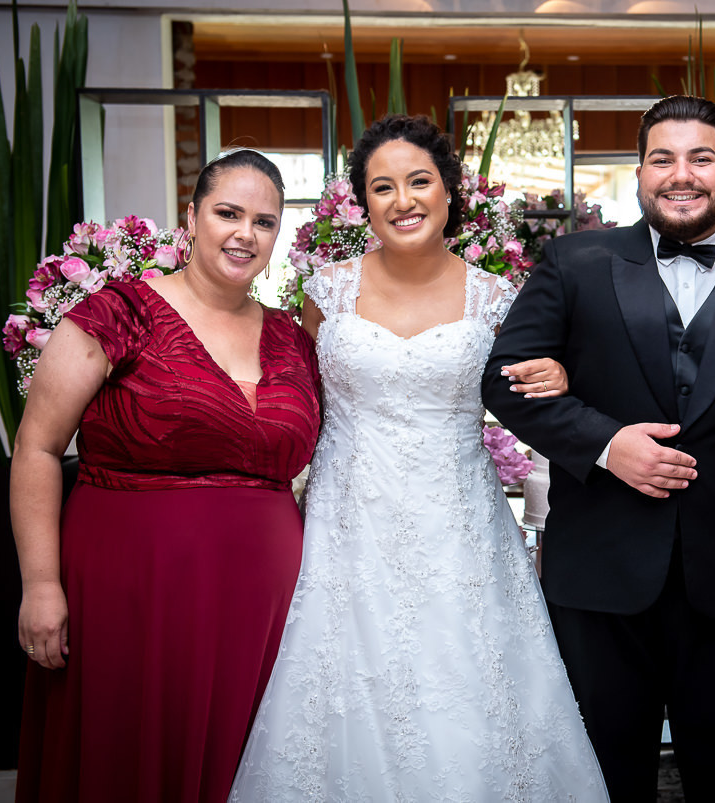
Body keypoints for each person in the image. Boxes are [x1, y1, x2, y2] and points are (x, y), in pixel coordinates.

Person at [229, 115, 608, 802]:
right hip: (347, 527)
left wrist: (559, 374)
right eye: (382, 187)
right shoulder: (325, 291)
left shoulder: (496, 299)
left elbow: (533, 392)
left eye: (418, 181)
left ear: (449, 190)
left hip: (459, 532)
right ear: (363, 202)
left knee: (469, 688)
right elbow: (297, 406)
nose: (402, 200)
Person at [482, 95, 715, 801]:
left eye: (701, 158)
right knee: (606, 775)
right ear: (639, 172)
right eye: (663, 158)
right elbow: (503, 380)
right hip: (602, 574)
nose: (682, 174)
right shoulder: (576, 261)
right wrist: (607, 444)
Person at [12, 149, 321, 802]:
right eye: (227, 213)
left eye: (263, 222)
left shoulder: (294, 338)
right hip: (132, 589)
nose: (244, 233)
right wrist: (40, 582)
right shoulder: (116, 313)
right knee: (127, 757)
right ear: (191, 217)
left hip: (263, 605)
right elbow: (37, 448)